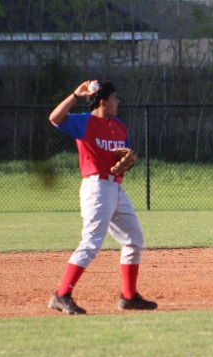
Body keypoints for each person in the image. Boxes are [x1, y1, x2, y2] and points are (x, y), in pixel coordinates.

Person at [47, 79, 157, 314]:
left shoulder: (119, 126)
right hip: (96, 188)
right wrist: (75, 95)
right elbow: (55, 118)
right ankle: (61, 294)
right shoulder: (84, 122)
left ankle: (129, 297)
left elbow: (124, 157)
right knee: (92, 242)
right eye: (115, 98)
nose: (118, 102)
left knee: (134, 238)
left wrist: (127, 162)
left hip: (117, 188)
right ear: (103, 102)